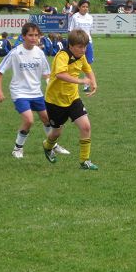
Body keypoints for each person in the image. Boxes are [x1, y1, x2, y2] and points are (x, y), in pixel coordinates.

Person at [0, 22, 70, 160]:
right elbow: (0, 71)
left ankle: (52, 145)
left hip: (36, 92)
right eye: (30, 35)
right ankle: (17, 148)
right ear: (23, 36)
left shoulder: (39, 53)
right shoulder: (15, 52)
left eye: (36, 35)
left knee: (47, 119)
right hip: (19, 92)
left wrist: (51, 87)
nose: (34, 38)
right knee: (29, 120)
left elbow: (46, 74)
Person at [42, 28, 98, 170]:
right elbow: (60, 74)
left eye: (85, 46)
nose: (83, 50)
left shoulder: (81, 57)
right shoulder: (62, 56)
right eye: (80, 47)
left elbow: (88, 69)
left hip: (73, 99)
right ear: (71, 46)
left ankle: (85, 161)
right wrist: (81, 81)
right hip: (55, 101)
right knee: (57, 132)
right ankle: (47, 146)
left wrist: (93, 82)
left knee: (86, 126)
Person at [68, 0, 95, 90]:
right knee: (73, 63)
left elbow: (89, 31)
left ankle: (86, 85)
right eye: (83, 6)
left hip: (88, 42)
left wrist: (90, 41)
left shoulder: (90, 17)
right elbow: (71, 30)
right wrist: (71, 43)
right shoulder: (75, 17)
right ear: (79, 7)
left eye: (87, 7)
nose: (85, 8)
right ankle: (71, 81)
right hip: (77, 43)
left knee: (88, 63)